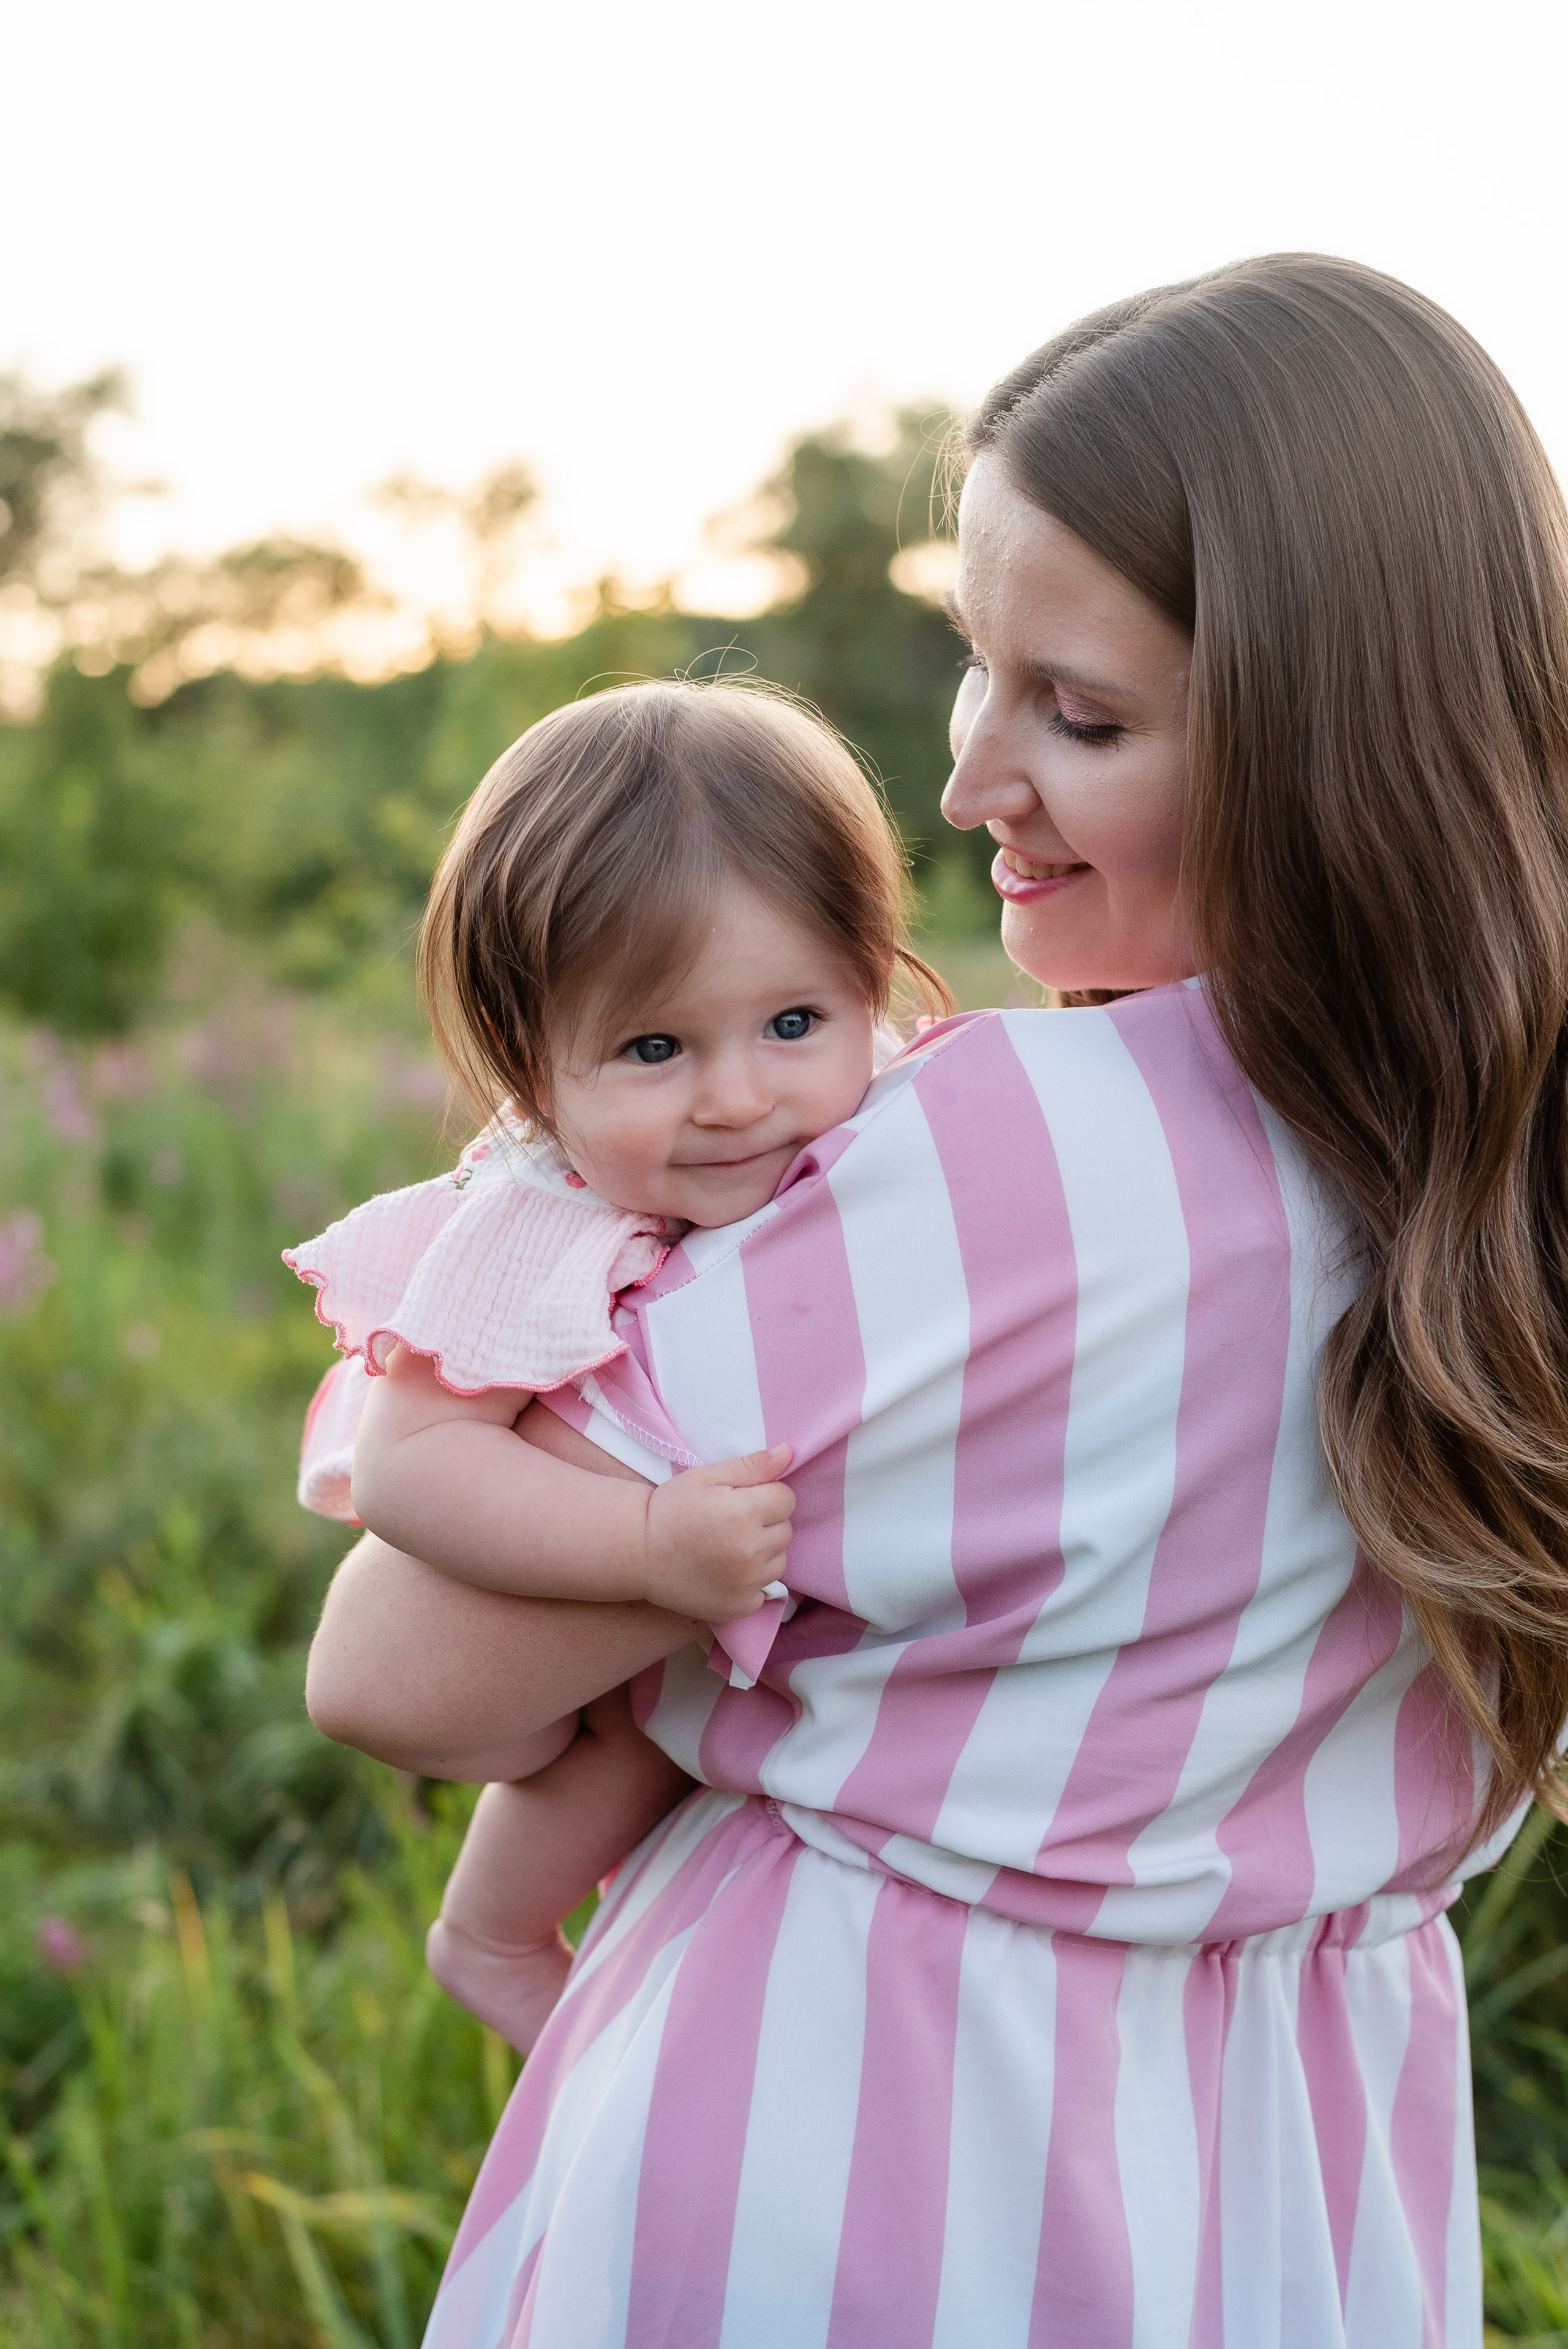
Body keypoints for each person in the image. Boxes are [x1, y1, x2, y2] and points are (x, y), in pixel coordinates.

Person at [305, 254, 1568, 2348]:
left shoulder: (1003, 1166)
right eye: (977, 666)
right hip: (1303, 2193)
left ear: (1336, 746)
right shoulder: (1512, 1171)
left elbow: (400, 1670)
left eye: (1081, 715)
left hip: (841, 2157)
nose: (972, 778)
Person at [285, 680, 951, 2052]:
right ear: (533, 1067)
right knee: (618, 1736)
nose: (734, 1095)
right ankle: (490, 1934)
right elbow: (413, 1467)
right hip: (529, 1578)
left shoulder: (887, 1104)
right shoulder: (539, 1216)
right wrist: (643, 1544)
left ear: (867, 981)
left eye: (791, 1024)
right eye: (653, 1048)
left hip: (700, 1638)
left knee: (667, 1730)